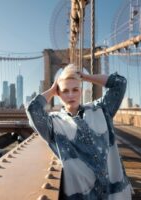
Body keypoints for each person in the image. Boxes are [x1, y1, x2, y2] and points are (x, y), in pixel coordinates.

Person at [26, 64, 133, 200]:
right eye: (65, 91)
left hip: (113, 194)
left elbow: (120, 83)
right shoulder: (53, 123)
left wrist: (87, 77)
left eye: (75, 89)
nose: (71, 95)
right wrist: (53, 89)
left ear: (81, 91)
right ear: (58, 94)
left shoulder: (101, 109)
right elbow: (33, 109)